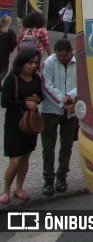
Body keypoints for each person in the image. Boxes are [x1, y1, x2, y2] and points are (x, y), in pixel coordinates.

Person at [0, 49, 43, 204]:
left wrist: (37, 99)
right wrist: (25, 103)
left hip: (30, 123)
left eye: (35, 63)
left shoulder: (36, 78)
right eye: (29, 63)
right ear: (21, 62)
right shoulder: (12, 79)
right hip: (15, 123)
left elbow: (41, 95)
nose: (33, 66)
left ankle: (19, 187)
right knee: (15, 160)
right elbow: (4, 102)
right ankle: (6, 190)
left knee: (26, 157)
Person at [41, 38, 77, 196]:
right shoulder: (49, 62)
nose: (62, 58)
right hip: (51, 109)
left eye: (65, 55)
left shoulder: (78, 62)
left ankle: (62, 176)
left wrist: (71, 96)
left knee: (67, 144)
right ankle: (48, 178)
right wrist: (63, 101)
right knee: (48, 146)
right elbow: (46, 85)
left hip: (71, 109)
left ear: (70, 51)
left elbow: (83, 81)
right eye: (60, 55)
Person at [0, 15, 17, 84]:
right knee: (4, 69)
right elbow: (14, 42)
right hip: (5, 54)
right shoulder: (10, 32)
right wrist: (10, 49)